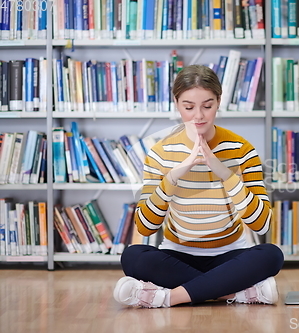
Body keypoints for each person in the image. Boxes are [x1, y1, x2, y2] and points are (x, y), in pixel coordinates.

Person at [113, 64, 284, 308]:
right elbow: (146, 226)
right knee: (133, 256)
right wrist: (173, 177)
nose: (199, 116)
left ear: (218, 101)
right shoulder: (160, 153)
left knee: (271, 255)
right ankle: (236, 292)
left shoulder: (242, 150)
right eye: (189, 107)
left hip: (230, 256)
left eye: (207, 105)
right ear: (177, 103)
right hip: (177, 256)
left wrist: (225, 173)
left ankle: (167, 297)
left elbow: (261, 223)